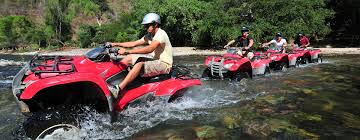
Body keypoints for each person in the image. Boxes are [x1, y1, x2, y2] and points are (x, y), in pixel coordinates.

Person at [107, 13, 173, 98]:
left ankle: (118, 89)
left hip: (164, 64)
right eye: (145, 26)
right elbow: (133, 43)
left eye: (147, 25)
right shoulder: (149, 36)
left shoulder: (161, 34)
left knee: (139, 64)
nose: (146, 28)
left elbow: (149, 49)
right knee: (128, 58)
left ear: (155, 24)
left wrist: (127, 52)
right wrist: (114, 44)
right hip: (154, 60)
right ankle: (112, 81)